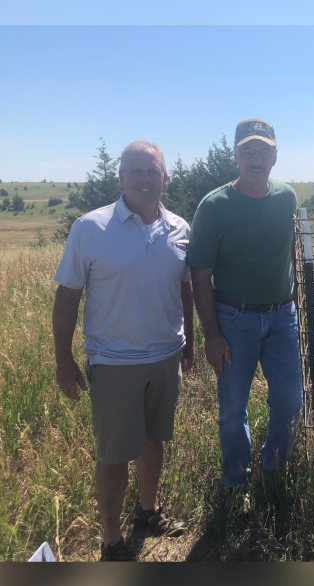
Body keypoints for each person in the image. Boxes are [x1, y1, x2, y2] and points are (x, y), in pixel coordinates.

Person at [53, 141, 194, 561]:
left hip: (167, 356)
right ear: (121, 177)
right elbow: (67, 298)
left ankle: (148, 513)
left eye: (152, 171)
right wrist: (63, 360)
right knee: (114, 454)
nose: (144, 179)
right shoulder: (90, 228)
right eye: (136, 171)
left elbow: (185, 288)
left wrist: (190, 338)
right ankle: (112, 539)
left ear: (165, 178)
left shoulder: (181, 228)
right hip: (113, 363)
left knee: (154, 439)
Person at [187, 118, 303, 492]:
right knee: (232, 409)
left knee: (290, 400)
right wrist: (212, 336)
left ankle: (273, 471)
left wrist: (295, 307)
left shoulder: (287, 197)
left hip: (283, 317)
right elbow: (200, 275)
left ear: (275, 156)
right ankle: (235, 483)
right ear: (235, 155)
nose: (256, 159)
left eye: (263, 151)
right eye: (248, 151)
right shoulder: (214, 206)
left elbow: (290, 253)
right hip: (234, 319)